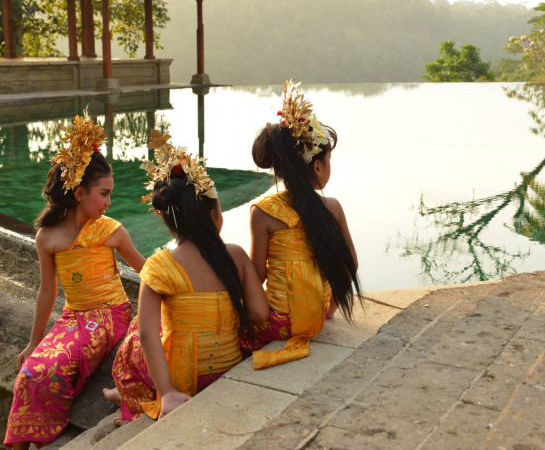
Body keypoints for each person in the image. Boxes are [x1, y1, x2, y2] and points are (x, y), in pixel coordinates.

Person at [3, 115, 145, 449]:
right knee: (30, 371)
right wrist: (32, 342)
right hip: (73, 317)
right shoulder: (47, 237)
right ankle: (23, 444)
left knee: (55, 368)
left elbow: (148, 271)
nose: (108, 203)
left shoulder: (111, 230)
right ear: (80, 193)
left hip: (111, 315)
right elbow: (47, 290)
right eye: (104, 194)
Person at [107, 130, 268, 422]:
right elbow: (259, 312)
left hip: (182, 382)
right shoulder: (235, 255)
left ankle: (133, 401)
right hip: (228, 369)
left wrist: (167, 391)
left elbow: (147, 335)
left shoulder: (159, 265)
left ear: (169, 222)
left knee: (133, 340)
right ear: (215, 214)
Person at [241, 80, 361, 370]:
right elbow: (350, 265)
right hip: (315, 320)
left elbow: (256, 276)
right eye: (328, 159)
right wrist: (328, 309)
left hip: (278, 324)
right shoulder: (331, 208)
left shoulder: (264, 212)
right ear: (318, 166)